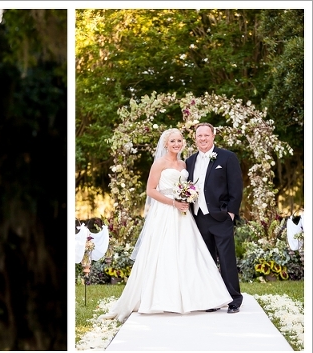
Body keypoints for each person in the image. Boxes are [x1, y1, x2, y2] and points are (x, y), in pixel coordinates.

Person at [100, 128, 232, 323]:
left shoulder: (184, 163)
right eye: (173, 141)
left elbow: (192, 186)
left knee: (188, 253)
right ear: (165, 144)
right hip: (165, 212)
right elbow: (150, 190)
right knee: (164, 252)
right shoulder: (159, 163)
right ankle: (162, 299)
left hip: (184, 214)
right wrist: (173, 202)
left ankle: (195, 297)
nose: (177, 144)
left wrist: (187, 197)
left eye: (179, 140)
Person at [185, 122, 244, 313]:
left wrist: (230, 213)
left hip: (220, 216)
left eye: (206, 135)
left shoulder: (227, 157)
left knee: (226, 260)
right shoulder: (190, 161)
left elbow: (236, 187)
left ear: (213, 136)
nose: (202, 139)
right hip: (199, 217)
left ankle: (234, 299)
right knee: (206, 260)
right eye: (199, 136)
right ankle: (212, 299)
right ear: (195, 138)